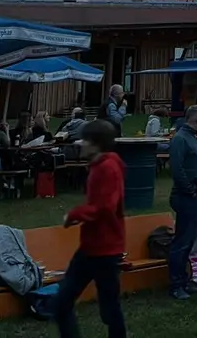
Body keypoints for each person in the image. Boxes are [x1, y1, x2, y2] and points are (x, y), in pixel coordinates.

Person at [55, 118, 128, 338]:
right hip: (92, 247)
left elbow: (104, 207)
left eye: (85, 140)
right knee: (63, 302)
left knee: (109, 309)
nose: (80, 144)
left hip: (105, 250)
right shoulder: (100, 166)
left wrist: (74, 215)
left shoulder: (107, 168)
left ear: (96, 144)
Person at [167, 105, 197, 300]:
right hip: (186, 197)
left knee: (189, 240)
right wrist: (190, 191)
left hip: (196, 195)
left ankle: (184, 278)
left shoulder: (192, 137)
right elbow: (177, 169)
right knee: (182, 241)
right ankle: (176, 284)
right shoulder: (180, 138)